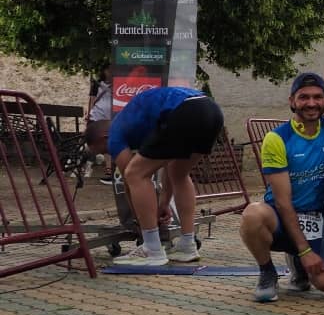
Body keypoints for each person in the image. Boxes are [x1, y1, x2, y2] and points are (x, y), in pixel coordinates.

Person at [239, 73, 324, 302]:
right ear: (292, 101)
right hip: (281, 219)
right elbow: (283, 202)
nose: (311, 103)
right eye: (304, 97)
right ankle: (267, 271)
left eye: (317, 97)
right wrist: (306, 251)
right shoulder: (277, 139)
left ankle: (299, 264)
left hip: (318, 222)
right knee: (253, 215)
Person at [84, 87, 223, 266]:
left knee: (135, 174)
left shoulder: (115, 133)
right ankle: (187, 245)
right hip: (211, 110)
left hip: (185, 111)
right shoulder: (138, 124)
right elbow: (167, 161)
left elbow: (130, 179)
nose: (110, 154)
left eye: (105, 150)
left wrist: (141, 222)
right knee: (179, 173)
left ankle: (152, 249)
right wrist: (163, 203)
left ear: (104, 138)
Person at [85, 63, 114, 184]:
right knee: (93, 141)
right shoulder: (96, 84)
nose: (110, 72)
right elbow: (92, 100)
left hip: (111, 116)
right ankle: (87, 167)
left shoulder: (118, 84)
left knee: (108, 142)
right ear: (104, 71)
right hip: (97, 115)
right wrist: (89, 114)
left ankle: (109, 170)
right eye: (108, 70)